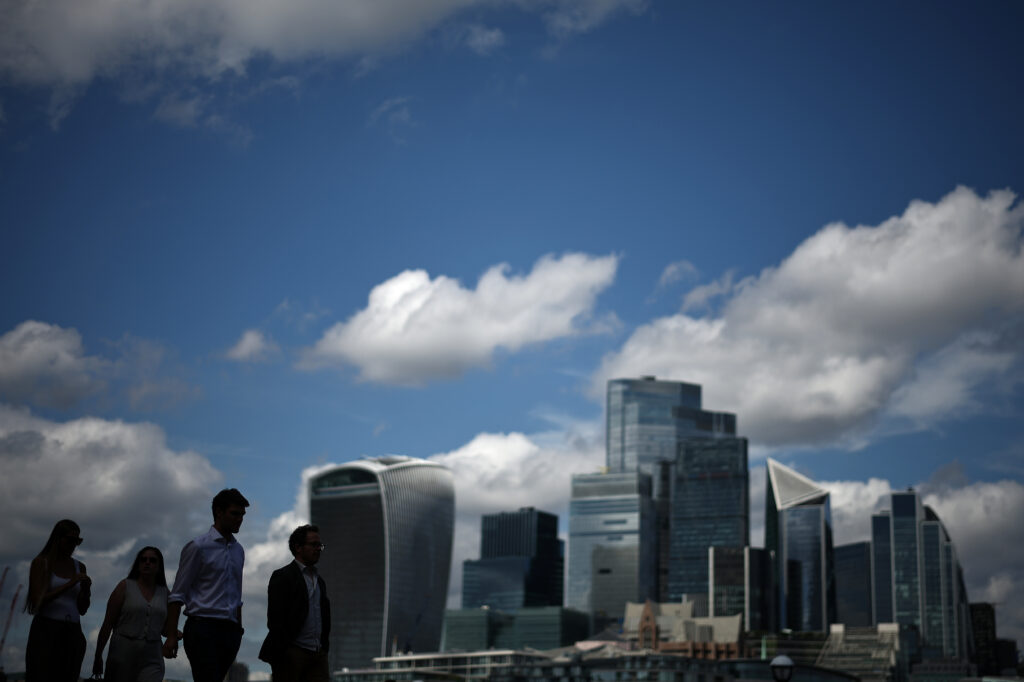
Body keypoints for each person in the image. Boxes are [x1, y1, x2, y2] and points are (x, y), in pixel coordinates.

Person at [163, 488, 249, 682]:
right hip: (203, 628)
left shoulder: (238, 550)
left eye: (242, 515)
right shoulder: (198, 546)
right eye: (235, 514)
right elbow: (177, 594)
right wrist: (171, 635)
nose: (240, 519)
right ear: (219, 512)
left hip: (230, 630)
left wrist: (238, 629)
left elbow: (237, 594)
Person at [259, 524, 331, 682]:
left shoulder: (320, 581)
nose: (318, 549)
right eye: (314, 545)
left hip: (318, 654)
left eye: (320, 545)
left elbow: (324, 616)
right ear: (298, 547)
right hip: (292, 652)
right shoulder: (283, 576)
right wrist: (285, 650)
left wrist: (324, 648)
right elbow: (275, 619)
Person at [24, 519, 92, 682]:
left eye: (76, 541)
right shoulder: (41, 563)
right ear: (58, 539)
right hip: (46, 629)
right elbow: (36, 601)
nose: (73, 545)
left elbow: (82, 609)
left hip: (73, 630)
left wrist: (86, 590)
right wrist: (69, 584)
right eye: (70, 540)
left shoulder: (80, 567)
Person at [93, 546, 169, 682]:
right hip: (122, 652)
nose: (147, 563)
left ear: (159, 566)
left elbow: (164, 629)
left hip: (153, 654)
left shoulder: (165, 593)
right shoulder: (124, 587)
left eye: (152, 560)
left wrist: (174, 633)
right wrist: (98, 655)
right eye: (143, 559)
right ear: (138, 564)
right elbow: (108, 624)